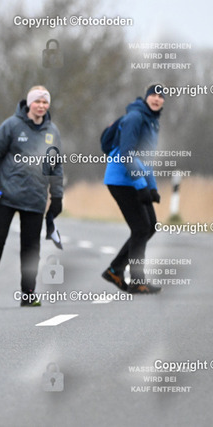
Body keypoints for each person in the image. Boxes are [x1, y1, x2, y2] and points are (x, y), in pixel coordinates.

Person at [0, 86, 63, 308]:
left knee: (31, 249)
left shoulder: (52, 131)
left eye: (45, 102)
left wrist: (57, 196)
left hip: (35, 197)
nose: (41, 106)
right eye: (37, 101)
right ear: (29, 103)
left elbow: (56, 166)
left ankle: (28, 293)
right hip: (6, 196)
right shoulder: (11, 125)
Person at [102, 84, 165, 294]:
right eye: (153, 95)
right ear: (146, 97)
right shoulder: (135, 118)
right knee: (141, 228)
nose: (157, 99)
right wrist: (140, 185)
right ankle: (137, 281)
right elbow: (127, 153)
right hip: (121, 180)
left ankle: (115, 270)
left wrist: (152, 187)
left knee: (150, 226)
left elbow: (146, 158)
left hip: (134, 180)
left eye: (161, 96)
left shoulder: (152, 122)